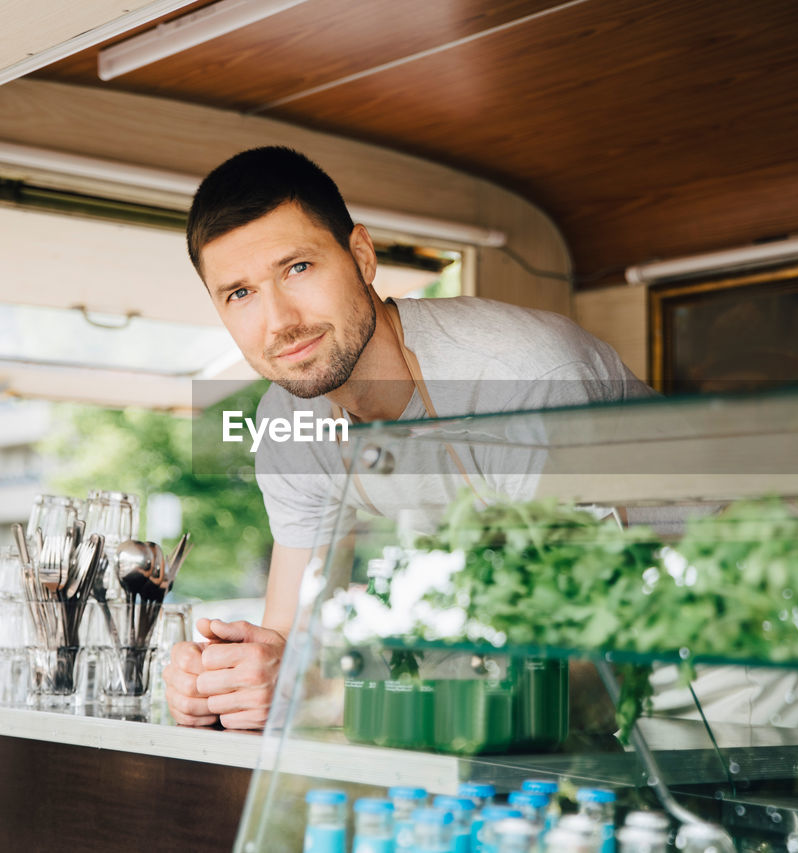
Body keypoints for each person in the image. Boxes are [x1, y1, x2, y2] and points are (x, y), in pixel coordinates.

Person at [163, 146, 649, 729]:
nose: (280, 321)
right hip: (504, 697)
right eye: (239, 293)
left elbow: (594, 661)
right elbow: (291, 639)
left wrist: (330, 696)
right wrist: (228, 684)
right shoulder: (288, 422)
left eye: (297, 268)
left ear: (362, 256)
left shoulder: (520, 377)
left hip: (720, 674)